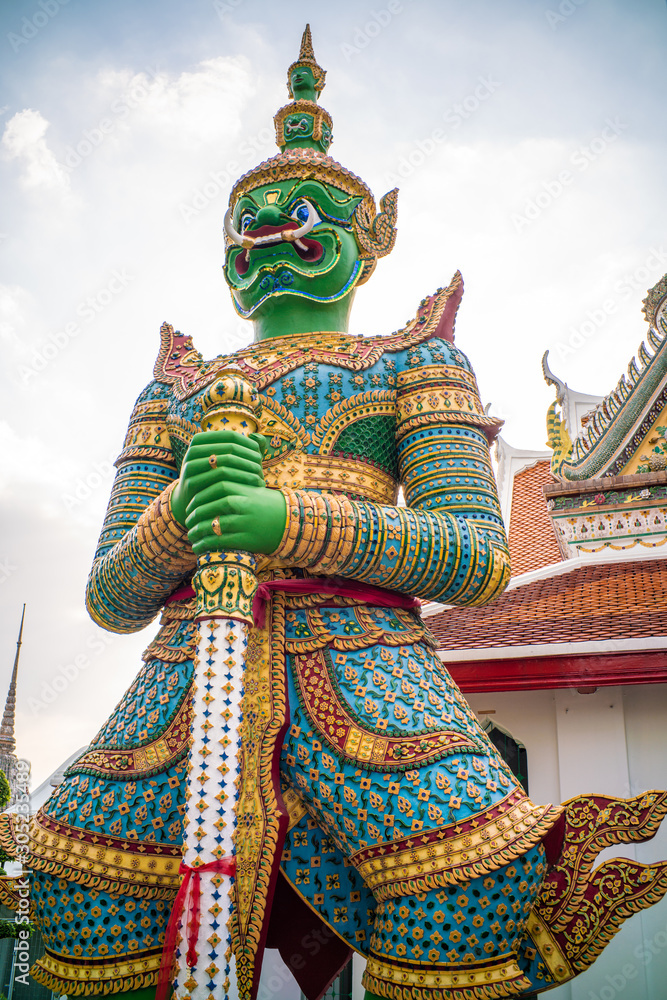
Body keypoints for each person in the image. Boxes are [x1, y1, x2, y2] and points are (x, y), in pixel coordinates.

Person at [3, 25, 665, 1000]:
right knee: (74, 876)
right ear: (227, 253)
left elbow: (475, 555)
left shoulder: (412, 361)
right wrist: (175, 517)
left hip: (364, 672)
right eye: (249, 218)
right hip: (184, 678)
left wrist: (286, 522)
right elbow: (109, 594)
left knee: (468, 876)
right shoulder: (175, 390)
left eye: (299, 211)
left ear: (367, 243)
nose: (269, 230)